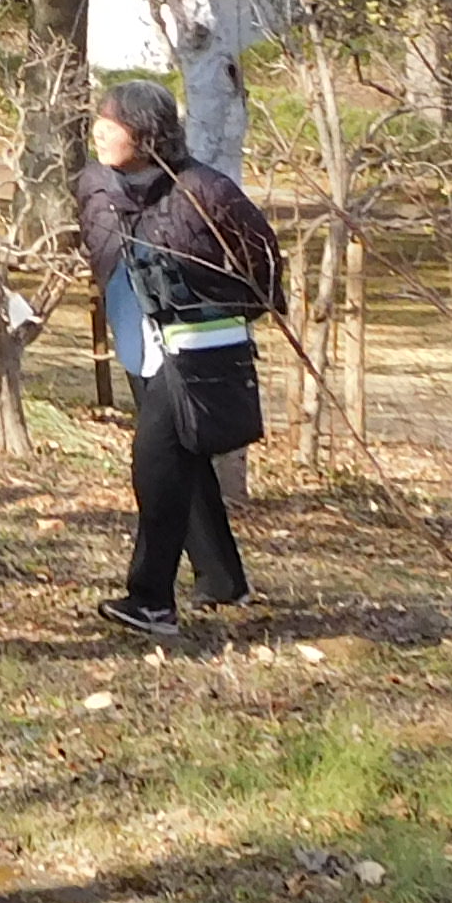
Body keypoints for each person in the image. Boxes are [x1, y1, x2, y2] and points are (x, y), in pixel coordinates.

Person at [74, 76, 283, 644]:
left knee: (156, 461)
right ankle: (222, 580)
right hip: (137, 344)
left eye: (112, 122)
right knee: (183, 458)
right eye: (99, 118)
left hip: (195, 350)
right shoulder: (93, 185)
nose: (99, 130)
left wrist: (224, 311)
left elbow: (262, 258)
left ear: (147, 133)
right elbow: (100, 251)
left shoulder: (205, 190)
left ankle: (151, 602)